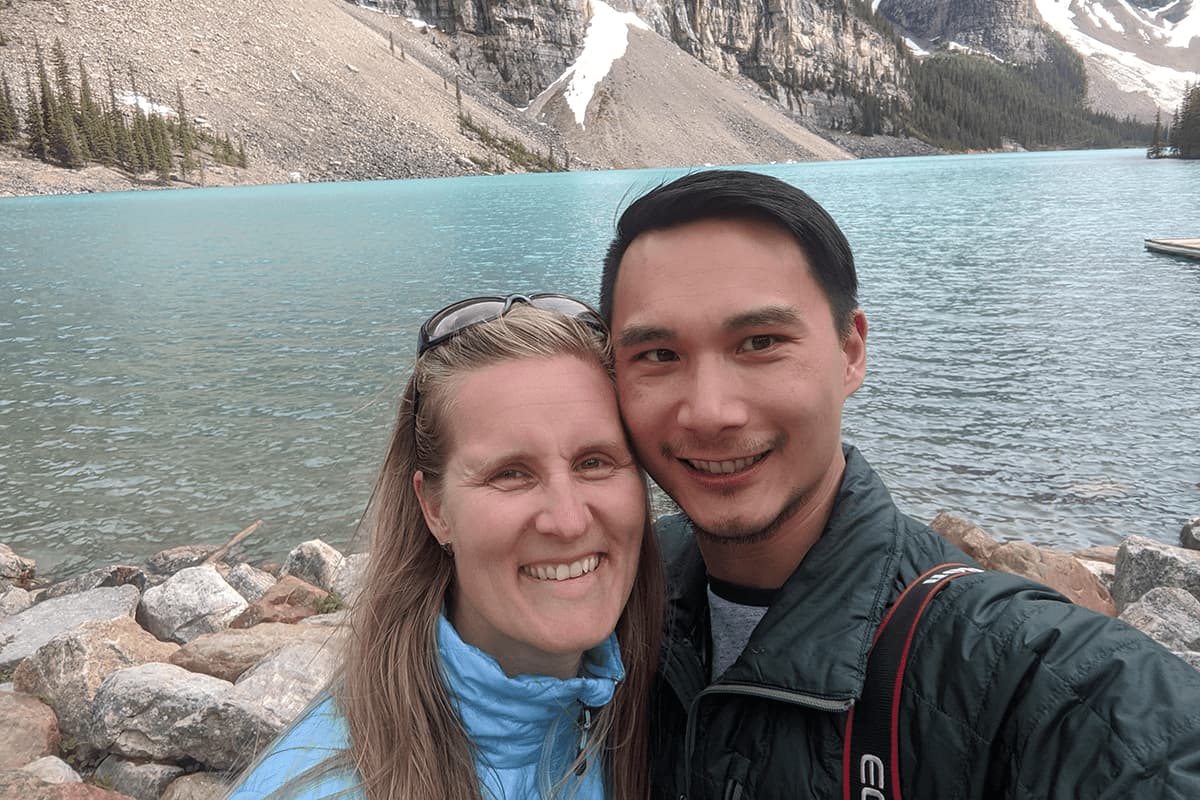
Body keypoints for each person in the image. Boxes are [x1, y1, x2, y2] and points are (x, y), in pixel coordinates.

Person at [598, 169, 1200, 799]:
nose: (708, 412)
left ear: (851, 353)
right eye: (659, 355)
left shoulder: (1012, 664)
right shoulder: (611, 588)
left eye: (760, 342)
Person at [226, 295, 664, 800]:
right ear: (434, 508)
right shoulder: (326, 785)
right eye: (511, 474)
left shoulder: (661, 701)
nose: (568, 521)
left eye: (594, 462)